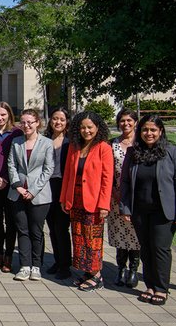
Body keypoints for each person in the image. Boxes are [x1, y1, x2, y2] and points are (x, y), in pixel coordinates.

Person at [120, 115, 176, 305]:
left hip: (163, 212)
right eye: (145, 130)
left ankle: (161, 288)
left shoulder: (172, 151)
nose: (148, 133)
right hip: (139, 211)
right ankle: (150, 285)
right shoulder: (133, 152)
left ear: (160, 132)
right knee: (146, 249)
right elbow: (125, 182)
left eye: (153, 130)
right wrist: (125, 207)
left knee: (160, 249)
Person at [60, 111, 113, 292]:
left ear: (97, 128)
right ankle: (86, 271)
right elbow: (67, 174)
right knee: (79, 238)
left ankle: (96, 275)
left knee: (93, 239)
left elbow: (107, 178)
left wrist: (104, 204)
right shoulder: (75, 147)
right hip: (75, 199)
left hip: (94, 201)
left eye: (90, 127)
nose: (86, 131)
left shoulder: (103, 147)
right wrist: (64, 198)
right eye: (83, 127)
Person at [7, 109, 54, 282]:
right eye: (23, 122)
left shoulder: (46, 143)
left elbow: (48, 169)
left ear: (37, 123)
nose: (26, 125)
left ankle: (36, 266)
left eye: (30, 122)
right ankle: (24, 266)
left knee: (36, 231)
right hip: (17, 193)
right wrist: (18, 186)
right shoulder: (16, 142)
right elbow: (11, 165)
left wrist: (33, 190)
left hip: (39, 195)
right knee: (22, 230)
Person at [107, 109, 141, 288]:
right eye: (122, 121)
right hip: (116, 196)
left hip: (137, 197)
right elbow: (108, 169)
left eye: (129, 120)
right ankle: (120, 268)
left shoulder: (142, 143)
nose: (125, 124)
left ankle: (133, 269)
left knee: (135, 233)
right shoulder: (112, 143)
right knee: (120, 232)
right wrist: (113, 190)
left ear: (135, 122)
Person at [0, 102, 22, 273]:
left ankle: (9, 256)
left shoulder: (17, 133)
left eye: (3, 114)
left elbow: (19, 161)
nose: (0, 118)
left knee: (11, 221)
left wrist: (7, 179)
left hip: (11, 184)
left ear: (9, 115)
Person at [44, 108, 72, 279]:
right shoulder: (45, 140)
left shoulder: (71, 142)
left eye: (62, 119)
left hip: (63, 186)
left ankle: (65, 265)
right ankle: (57, 260)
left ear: (67, 122)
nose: (58, 122)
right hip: (47, 186)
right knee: (52, 227)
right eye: (55, 118)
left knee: (62, 227)